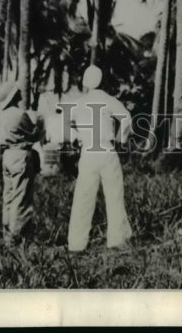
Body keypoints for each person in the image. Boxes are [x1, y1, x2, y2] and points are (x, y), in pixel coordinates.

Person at [66, 65, 133, 253]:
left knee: (83, 198)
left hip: (88, 152)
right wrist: (121, 139)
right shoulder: (108, 100)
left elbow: (66, 123)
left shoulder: (78, 103)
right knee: (114, 195)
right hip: (106, 150)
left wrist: (77, 138)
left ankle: (77, 244)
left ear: (85, 83)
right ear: (102, 81)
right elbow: (127, 118)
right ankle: (117, 240)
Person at [0, 82, 43, 243]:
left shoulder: (1, 115)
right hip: (20, 154)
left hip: (7, 154)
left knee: (8, 195)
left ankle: (7, 233)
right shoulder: (19, 114)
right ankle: (19, 235)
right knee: (21, 196)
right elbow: (34, 133)